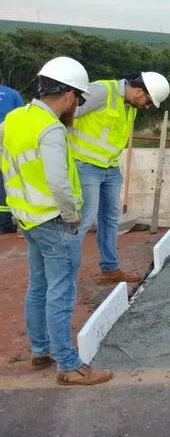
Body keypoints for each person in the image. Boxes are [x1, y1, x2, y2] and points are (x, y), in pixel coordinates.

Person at [0, 56, 112, 385]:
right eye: (78, 98)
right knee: (61, 292)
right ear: (67, 95)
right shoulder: (50, 128)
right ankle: (68, 365)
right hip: (53, 220)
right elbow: (58, 181)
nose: (77, 105)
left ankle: (40, 350)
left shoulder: (16, 119)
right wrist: (72, 215)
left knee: (38, 285)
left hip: (27, 218)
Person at [71, 72, 170, 284]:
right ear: (139, 90)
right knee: (84, 219)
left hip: (110, 167)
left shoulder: (128, 105)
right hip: (85, 165)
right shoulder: (100, 91)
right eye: (148, 101)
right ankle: (64, 272)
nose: (147, 106)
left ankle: (110, 270)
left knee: (110, 219)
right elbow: (66, 114)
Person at [0, 72, 26, 233]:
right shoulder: (13, 94)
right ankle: (4, 223)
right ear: (2, 80)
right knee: (5, 181)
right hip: (6, 143)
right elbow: (23, 117)